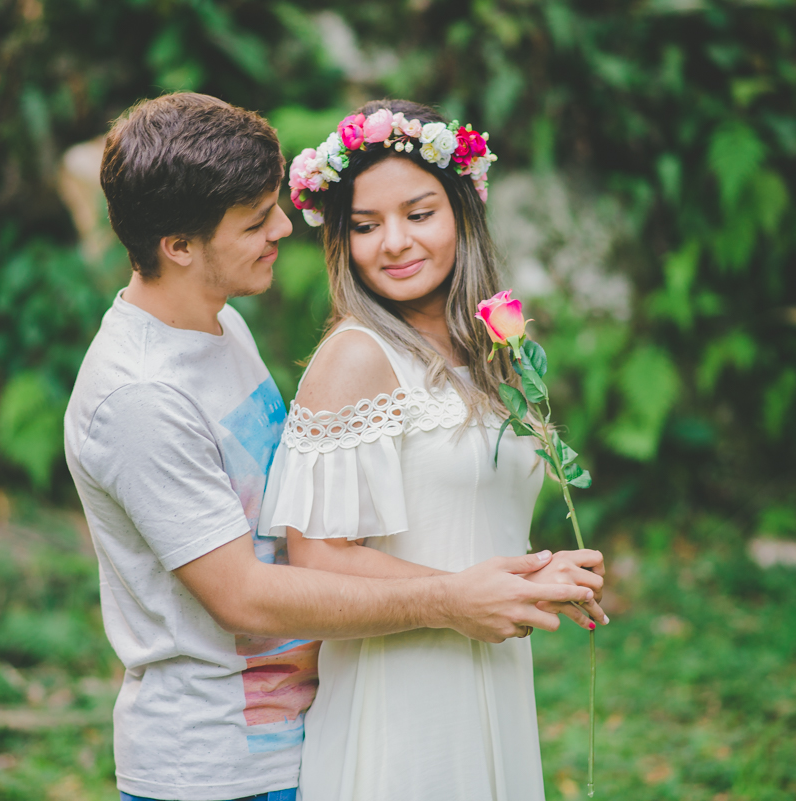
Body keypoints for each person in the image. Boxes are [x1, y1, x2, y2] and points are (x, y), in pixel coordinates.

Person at [63, 92, 601, 801]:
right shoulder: (137, 396)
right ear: (180, 247)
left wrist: (510, 577)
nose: (286, 226)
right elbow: (246, 596)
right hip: (216, 771)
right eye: (257, 221)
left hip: (296, 735)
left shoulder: (221, 327)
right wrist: (453, 598)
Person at [257, 99, 609, 801]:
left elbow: (460, 523)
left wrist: (535, 572)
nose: (393, 242)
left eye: (418, 214)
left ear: (461, 213)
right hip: (402, 692)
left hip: (489, 670)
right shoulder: (355, 357)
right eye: (365, 224)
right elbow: (319, 559)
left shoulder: (491, 351)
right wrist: (459, 597)